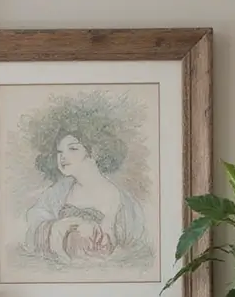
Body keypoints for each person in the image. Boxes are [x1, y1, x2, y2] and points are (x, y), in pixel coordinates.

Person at [24, 104, 147, 263]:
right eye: (59, 152)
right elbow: (33, 228)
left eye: (72, 149)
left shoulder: (118, 199)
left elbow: (125, 249)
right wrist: (63, 226)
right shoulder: (59, 191)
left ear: (93, 152)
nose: (63, 157)